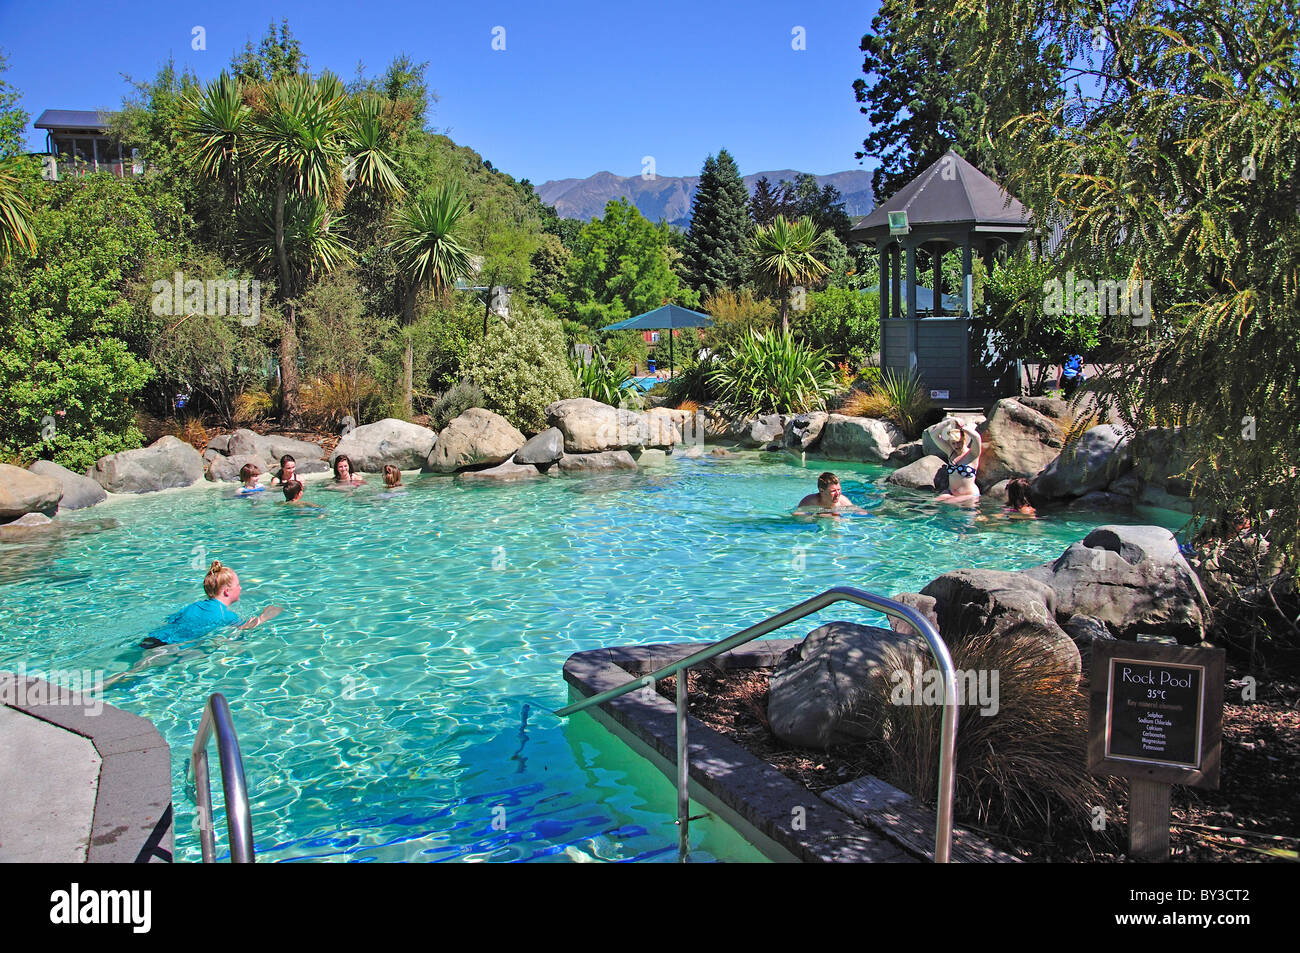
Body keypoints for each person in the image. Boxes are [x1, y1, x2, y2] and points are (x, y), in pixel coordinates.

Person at [140, 561, 282, 647]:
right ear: (227, 591)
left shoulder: (193, 606)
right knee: (137, 670)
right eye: (238, 585)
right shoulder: (226, 615)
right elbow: (245, 627)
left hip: (154, 636)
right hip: (171, 644)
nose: (241, 588)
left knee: (136, 667)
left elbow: (170, 620)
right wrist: (264, 617)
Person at [933, 419, 982, 505]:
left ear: (964, 439)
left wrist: (963, 428)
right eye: (953, 443)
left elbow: (977, 437)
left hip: (969, 495)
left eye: (959, 442)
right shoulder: (950, 452)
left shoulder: (973, 454)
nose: (956, 446)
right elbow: (933, 435)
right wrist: (949, 422)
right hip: (950, 493)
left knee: (947, 503)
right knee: (931, 503)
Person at [795, 472, 866, 514]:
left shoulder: (843, 501)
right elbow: (797, 515)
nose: (838, 494)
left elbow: (861, 512)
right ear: (821, 490)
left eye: (839, 489)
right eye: (833, 491)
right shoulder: (810, 501)